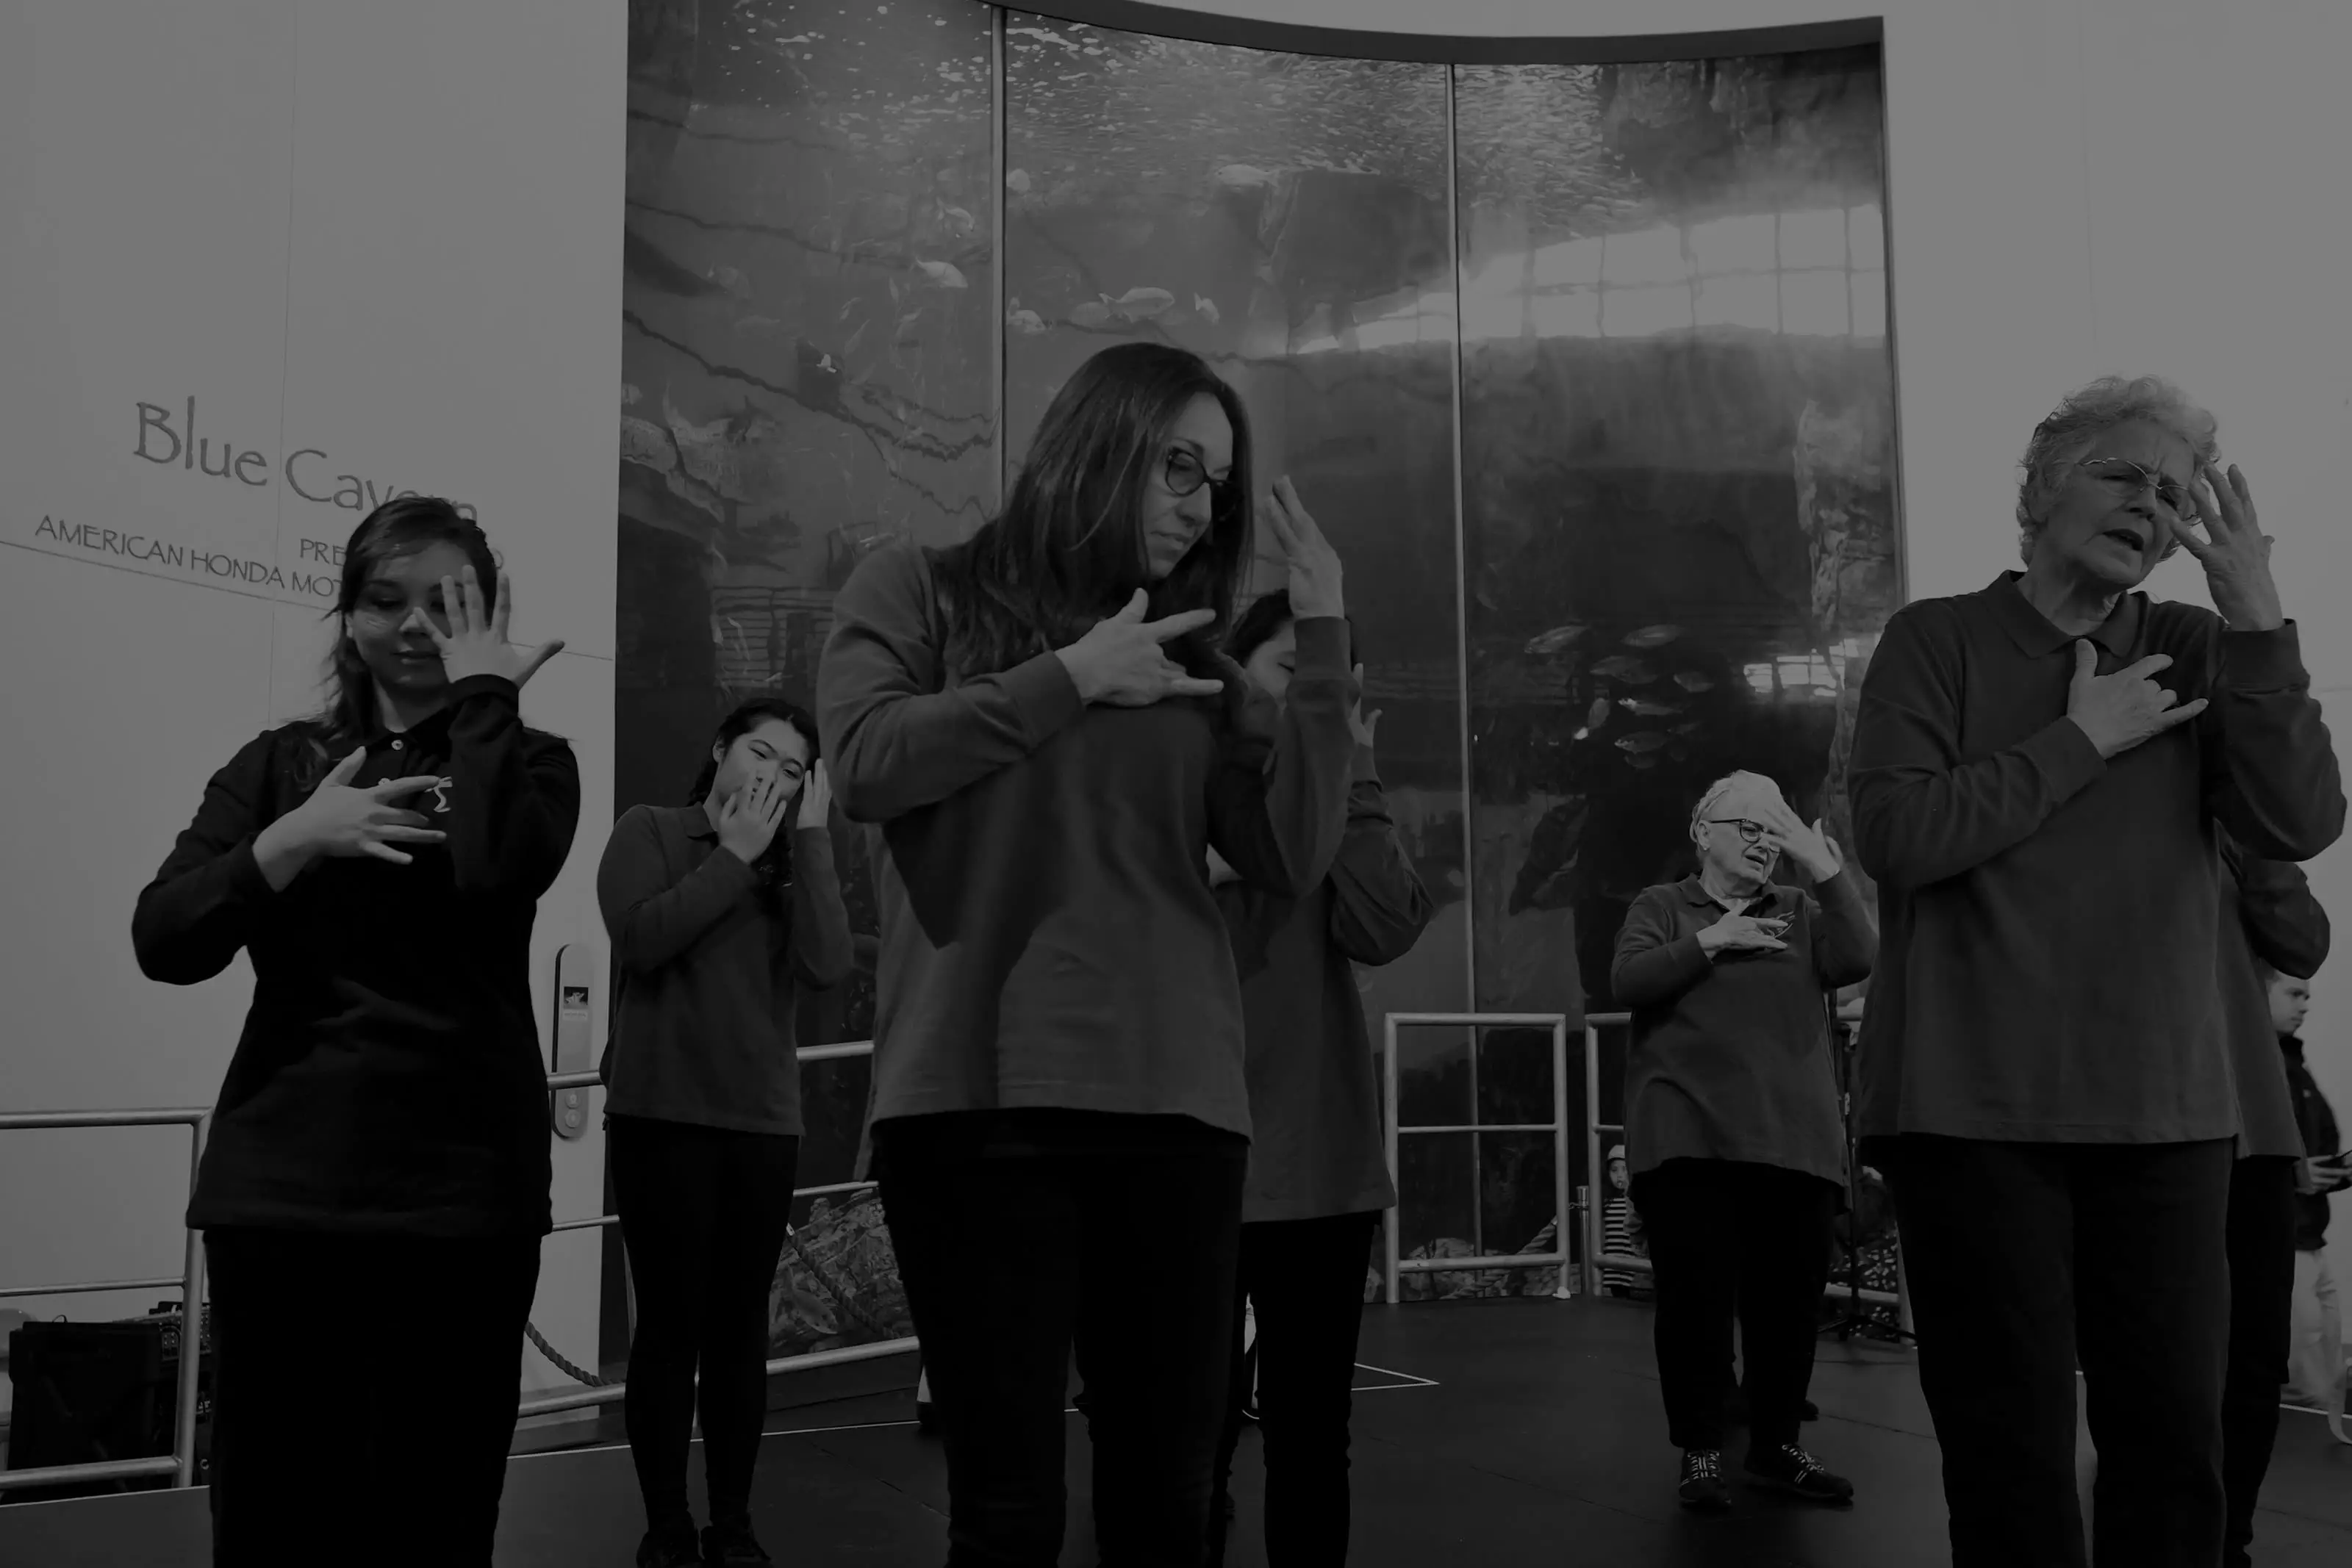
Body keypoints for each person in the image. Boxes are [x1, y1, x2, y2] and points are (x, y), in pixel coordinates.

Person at [816, 342, 1359, 1566]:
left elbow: (1289, 850)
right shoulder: (918, 588)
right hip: (974, 1096)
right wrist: (1066, 676)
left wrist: (1321, 634)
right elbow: (867, 762)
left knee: (1169, 1504)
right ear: (1093, 439)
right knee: (1005, 1509)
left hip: (1176, 1104)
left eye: (1216, 480)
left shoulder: (1198, 661)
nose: (1199, 500)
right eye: (1177, 462)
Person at [1847, 375, 2345, 1567]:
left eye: (2174, 491)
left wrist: (2262, 615)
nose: (2153, 502)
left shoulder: (2194, 646)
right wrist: (2083, 737)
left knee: (2177, 1445)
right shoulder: (1939, 638)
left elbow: (2299, 820)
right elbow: (1900, 836)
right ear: (2041, 490)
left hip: (2164, 1110)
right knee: (2008, 1451)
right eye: (2125, 472)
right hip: (1971, 1108)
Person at [131, 499, 577, 1567]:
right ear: (346, 614)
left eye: (448, 603)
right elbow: (166, 936)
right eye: (387, 600)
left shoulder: (533, 760)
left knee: (438, 1510)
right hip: (286, 1192)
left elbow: (496, 868)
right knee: (278, 1510)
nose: (415, 625)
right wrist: (292, 839)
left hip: (462, 1200)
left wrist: (486, 698)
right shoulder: (281, 764)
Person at [1202, 591, 1435, 1568]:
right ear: (1236, 670)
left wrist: (1355, 772)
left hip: (1317, 1168)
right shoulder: (1184, 783)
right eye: (1289, 671)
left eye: (1327, 681)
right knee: (1179, 1442)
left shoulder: (1345, 797)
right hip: (1192, 1153)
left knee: (1310, 1440)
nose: (1308, 696)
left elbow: (1383, 926)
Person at [598, 699, 853, 1567]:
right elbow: (640, 938)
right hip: (659, 1118)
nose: (771, 776)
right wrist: (734, 857)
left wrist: (809, 841)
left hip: (759, 1127)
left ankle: (733, 1523)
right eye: (758, 751)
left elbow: (828, 965)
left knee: (739, 1330)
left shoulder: (792, 864)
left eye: (792, 769)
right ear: (718, 749)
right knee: (668, 1328)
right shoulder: (652, 829)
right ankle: (665, 1524)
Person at [1610, 770, 1874, 1513]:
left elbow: (1858, 957)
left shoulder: (1798, 909)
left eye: (1774, 830)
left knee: (1787, 1306)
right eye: (1747, 828)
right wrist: (1713, 938)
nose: (1763, 843)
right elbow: (1627, 978)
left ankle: (1774, 1445)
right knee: (1694, 1305)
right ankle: (1700, 1449)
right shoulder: (1663, 906)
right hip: (1687, 1137)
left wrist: (1823, 867)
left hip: (1792, 1141)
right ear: (1703, 833)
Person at [2213, 830, 2330, 1568]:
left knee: (2250, 1363)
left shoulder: (2234, 826)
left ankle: (2227, 1542)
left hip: (2242, 1140)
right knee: (2159, 1361)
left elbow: (2302, 936)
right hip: (2155, 1118)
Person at [2273, 966, 2352, 1409]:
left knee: (2324, 1371)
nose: (2306, 1004)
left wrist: (2342, 1171)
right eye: (2294, 994)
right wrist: (2290, 1175)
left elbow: (2316, 1159)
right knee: (2294, 1379)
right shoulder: (2249, 1070)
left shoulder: (2295, 1068)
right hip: (2279, 1245)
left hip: (2308, 1239)